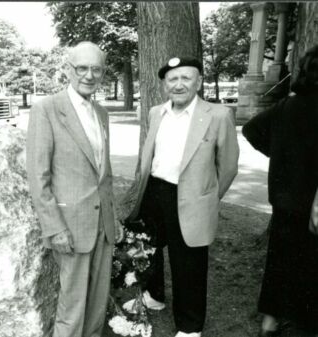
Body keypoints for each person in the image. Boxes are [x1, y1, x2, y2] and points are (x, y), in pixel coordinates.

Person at [126, 56, 239, 337]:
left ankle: (189, 326)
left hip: (189, 197)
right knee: (148, 248)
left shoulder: (218, 115)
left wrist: (207, 197)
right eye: (172, 79)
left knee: (188, 262)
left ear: (198, 81)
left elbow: (227, 167)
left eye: (186, 78)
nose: (179, 84)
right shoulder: (156, 112)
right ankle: (155, 296)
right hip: (154, 190)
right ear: (165, 85)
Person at [26, 41, 123, 337]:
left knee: (96, 302)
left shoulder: (101, 113)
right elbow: (37, 175)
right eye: (82, 68)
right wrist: (54, 227)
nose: (89, 75)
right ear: (68, 69)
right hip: (70, 225)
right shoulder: (47, 109)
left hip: (102, 225)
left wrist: (114, 217)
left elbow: (102, 175)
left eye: (96, 69)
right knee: (72, 305)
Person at [242, 44, 318, 337]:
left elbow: (251, 130)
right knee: (311, 263)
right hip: (312, 202)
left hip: (285, 199)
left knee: (280, 260)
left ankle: (270, 320)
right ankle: (304, 321)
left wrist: (282, 156)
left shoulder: (288, 105)